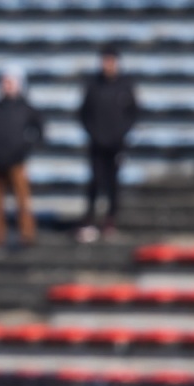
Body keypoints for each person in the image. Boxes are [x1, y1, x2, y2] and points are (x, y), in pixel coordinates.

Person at [76, 45, 138, 242]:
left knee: (113, 183)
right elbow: (83, 113)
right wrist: (93, 132)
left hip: (116, 143)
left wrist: (121, 133)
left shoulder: (125, 85)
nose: (108, 65)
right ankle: (90, 219)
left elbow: (133, 113)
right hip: (97, 142)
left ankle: (110, 219)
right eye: (105, 60)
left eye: (111, 61)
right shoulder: (93, 85)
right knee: (95, 181)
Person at [0, 65, 44, 249]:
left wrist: (25, 149)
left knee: (22, 201)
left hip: (18, 161)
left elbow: (39, 131)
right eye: (5, 82)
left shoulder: (27, 108)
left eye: (10, 82)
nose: (7, 86)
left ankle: (26, 235)